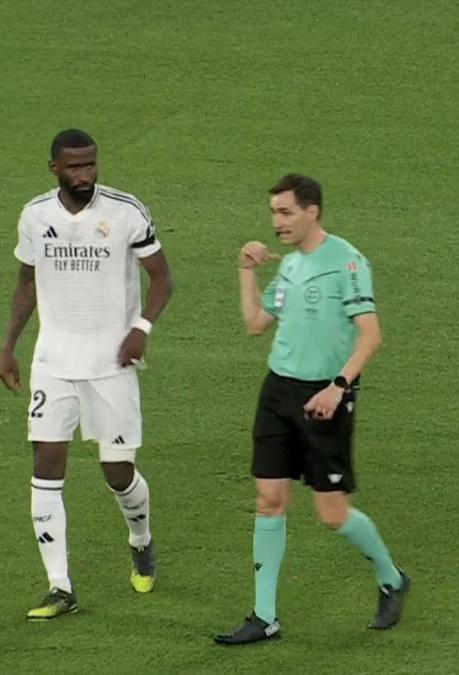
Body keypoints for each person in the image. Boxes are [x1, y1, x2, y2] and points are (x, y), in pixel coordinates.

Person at [214, 174, 409, 645]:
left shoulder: (347, 262)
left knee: (332, 514)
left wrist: (337, 387)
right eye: (273, 214)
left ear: (312, 211)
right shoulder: (291, 267)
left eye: (285, 213)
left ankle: (392, 579)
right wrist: (245, 271)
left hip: (327, 397)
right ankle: (265, 616)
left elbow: (371, 336)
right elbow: (256, 324)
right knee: (269, 499)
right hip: (278, 391)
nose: (277, 222)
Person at [1, 129, 174, 619]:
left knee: (116, 473)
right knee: (46, 464)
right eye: (75, 167)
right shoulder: (36, 216)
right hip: (54, 363)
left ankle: (140, 537)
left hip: (111, 365)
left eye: (91, 165)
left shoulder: (125, 212)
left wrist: (141, 328)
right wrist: (8, 345)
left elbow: (162, 277)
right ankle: (60, 587)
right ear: (54, 167)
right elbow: (26, 282)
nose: (85, 175)